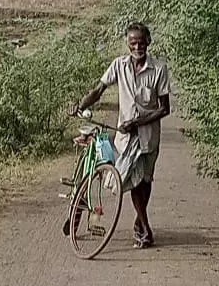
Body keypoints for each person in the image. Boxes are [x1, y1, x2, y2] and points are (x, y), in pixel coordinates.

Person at [69, 22, 171, 248]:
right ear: (127, 43)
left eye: (141, 42)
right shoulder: (119, 65)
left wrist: (138, 122)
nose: (137, 47)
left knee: (145, 181)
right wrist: (80, 105)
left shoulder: (159, 69)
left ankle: (139, 222)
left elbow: (164, 108)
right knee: (133, 180)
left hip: (148, 137)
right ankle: (145, 228)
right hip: (125, 138)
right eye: (133, 43)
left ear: (148, 42)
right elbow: (98, 90)